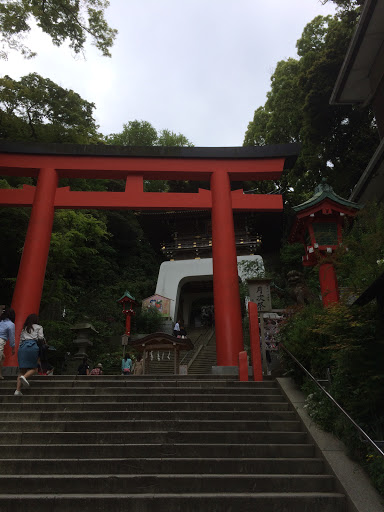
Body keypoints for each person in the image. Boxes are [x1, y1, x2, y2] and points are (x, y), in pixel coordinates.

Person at [15, 313, 44, 396]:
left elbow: (20, 340)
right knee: (34, 368)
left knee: (22, 370)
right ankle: (25, 377)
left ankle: (17, 390)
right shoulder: (39, 327)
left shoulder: (25, 328)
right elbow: (41, 338)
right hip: (32, 347)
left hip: (22, 347)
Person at [0, 308, 16, 379]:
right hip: (1, 340)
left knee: (2, 357)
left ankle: (0, 374)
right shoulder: (11, 324)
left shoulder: (1, 321)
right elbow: (11, 337)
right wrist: (13, 348)